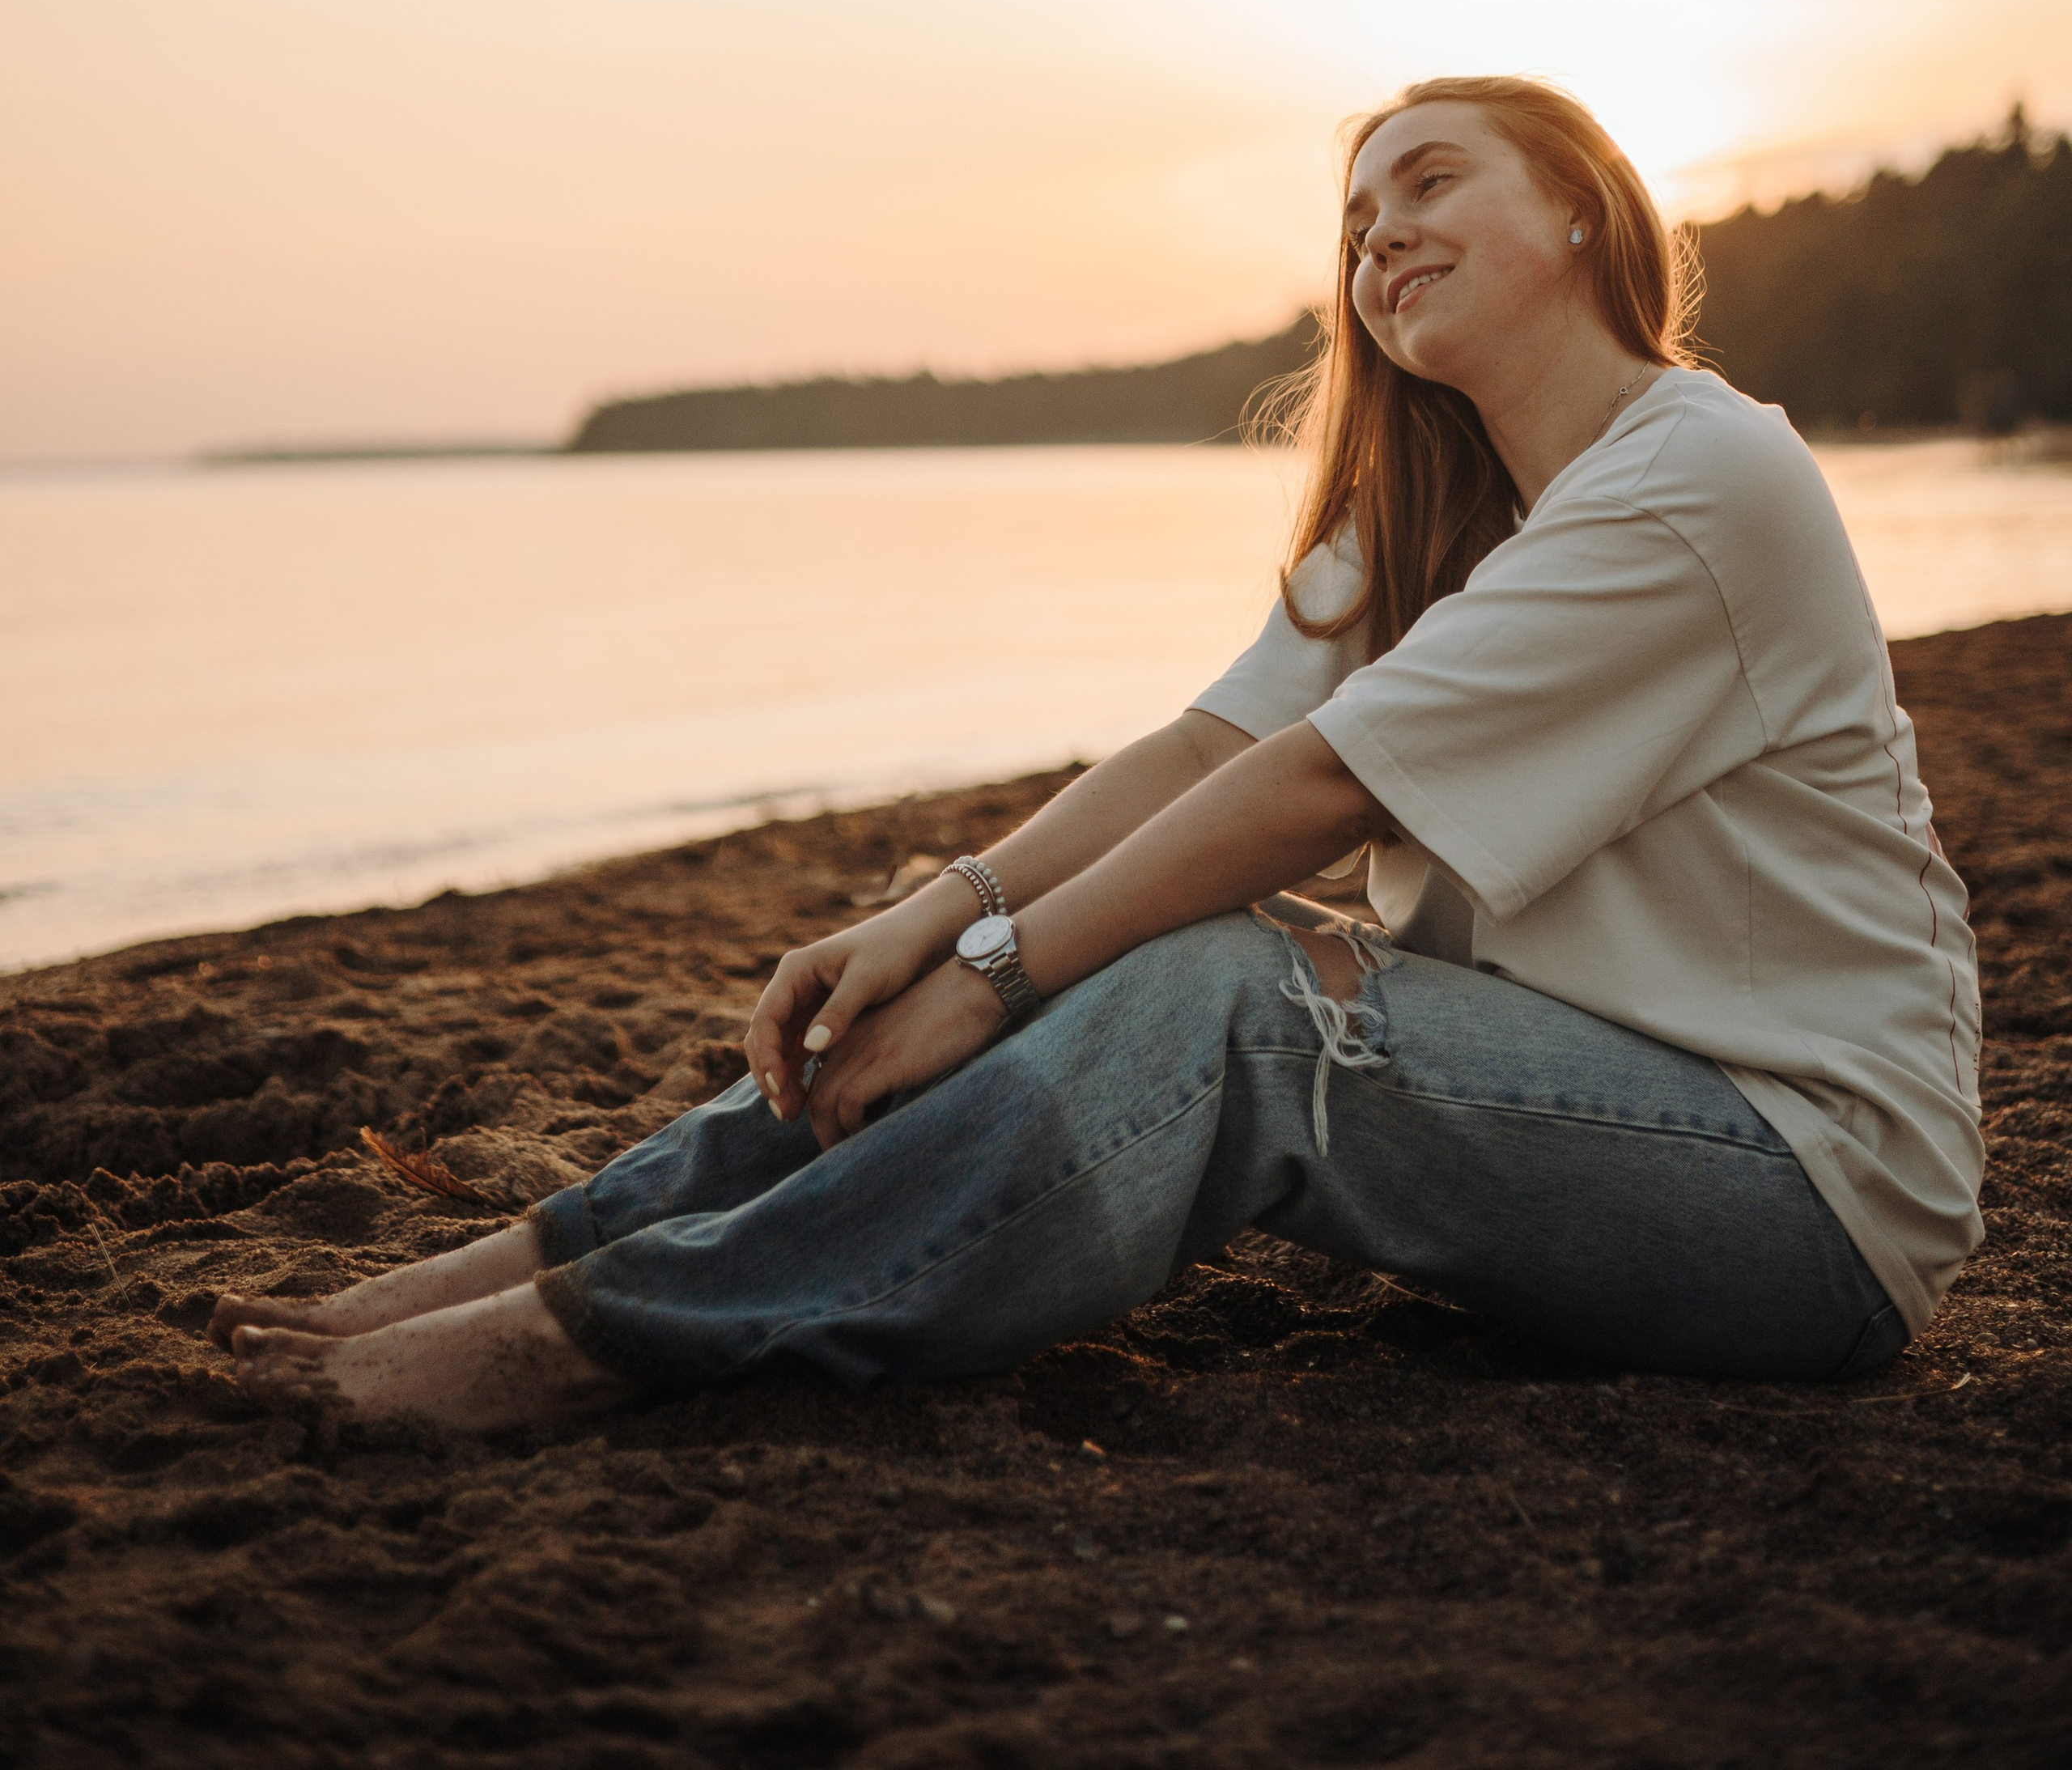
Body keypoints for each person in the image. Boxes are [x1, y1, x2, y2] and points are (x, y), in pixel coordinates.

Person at [214, 76, 1983, 1432]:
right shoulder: (1450, 514)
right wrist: (938, 911)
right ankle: (548, 1253)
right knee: (1134, 949)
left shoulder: (1692, 477)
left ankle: (602, 1341)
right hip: (1592, 1105)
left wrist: (993, 977)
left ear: (1592, 217)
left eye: (1429, 183)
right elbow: (1214, 740)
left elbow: (1314, 789)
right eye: (1356, 220)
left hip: (1805, 1199)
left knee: (1228, 991)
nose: (1378, 237)